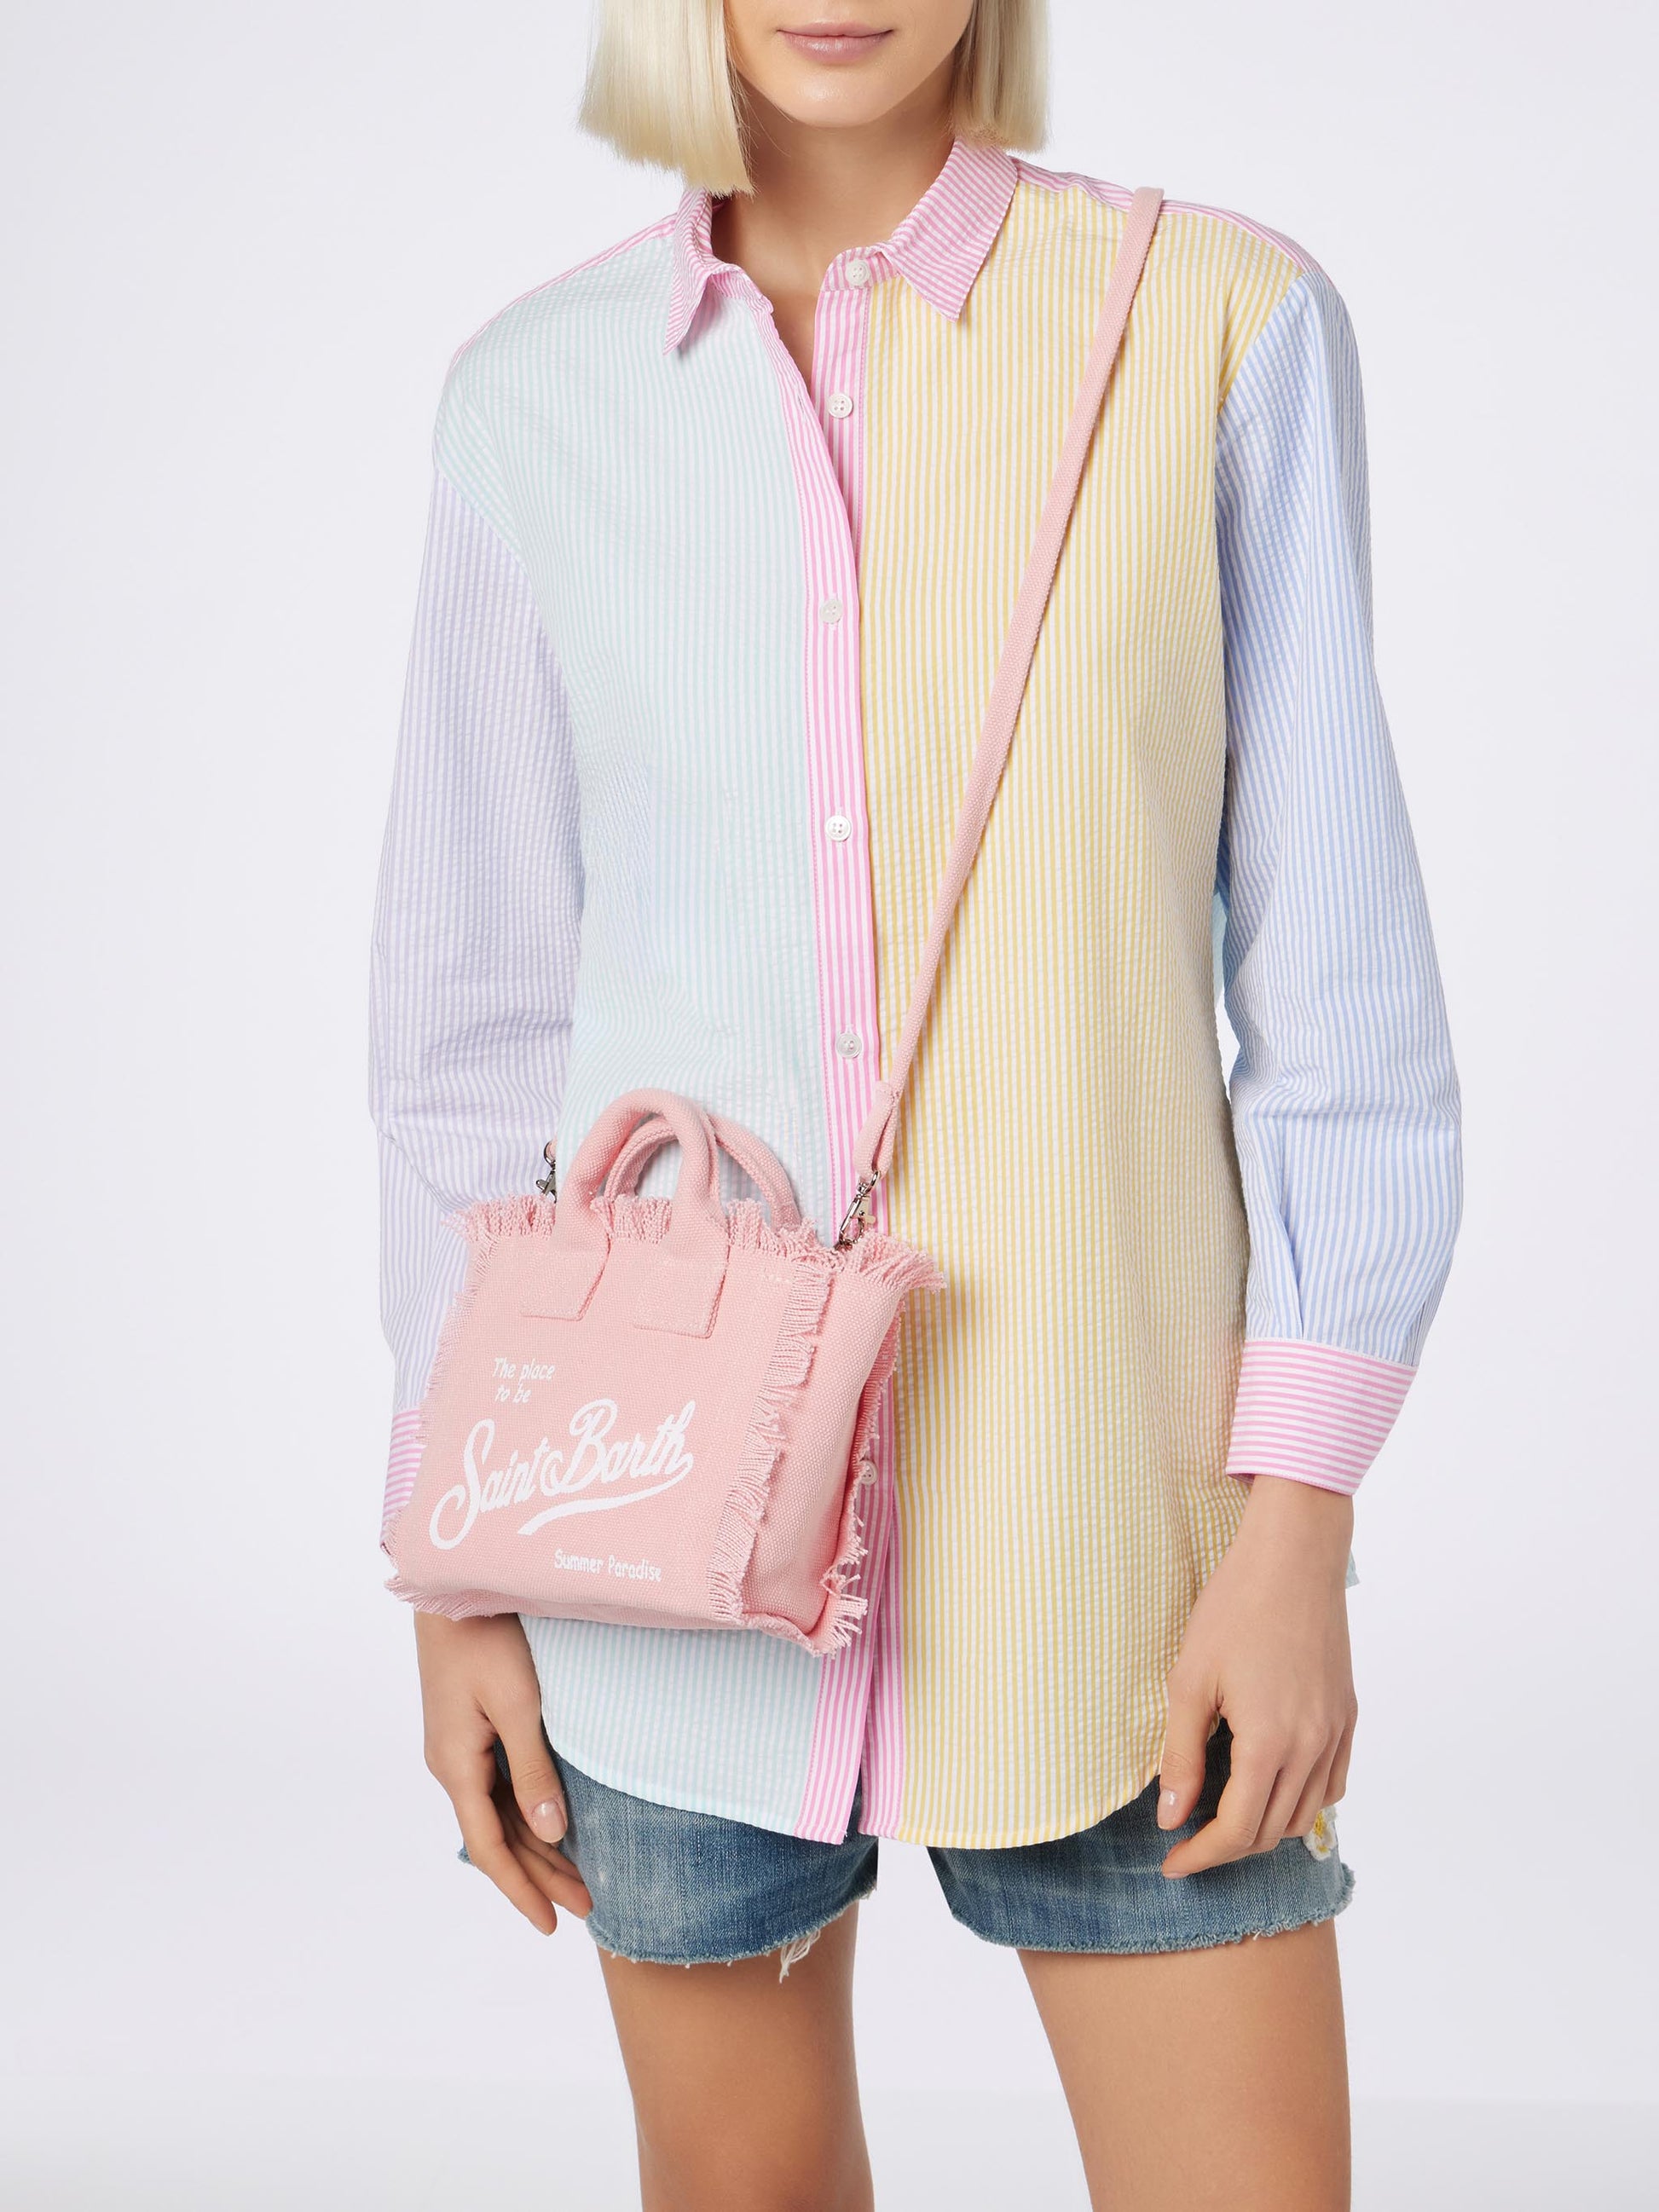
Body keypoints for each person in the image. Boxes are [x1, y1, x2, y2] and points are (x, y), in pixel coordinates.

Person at [367, 5, 1462, 2206]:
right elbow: (466, 1033)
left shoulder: (1212, 321)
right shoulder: (533, 398)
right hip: (648, 1548)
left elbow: (1340, 1002)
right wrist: (454, 1575)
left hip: (1117, 1545)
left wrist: (1296, 1530)